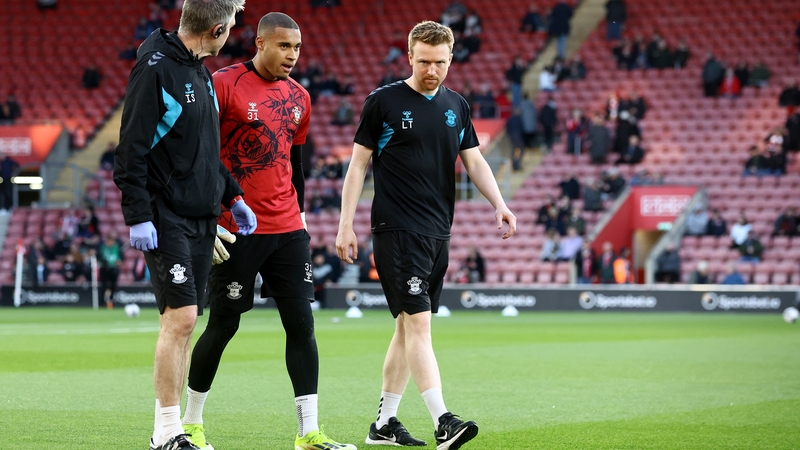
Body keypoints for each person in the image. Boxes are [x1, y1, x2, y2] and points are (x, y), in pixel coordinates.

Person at [335, 21, 516, 450]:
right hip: (398, 228)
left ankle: (384, 423)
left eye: (440, 62)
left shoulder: (457, 105)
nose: (432, 70)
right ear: (410, 58)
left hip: (438, 230)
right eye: (423, 61)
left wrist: (500, 204)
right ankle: (443, 421)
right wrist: (346, 223)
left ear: (451, 59)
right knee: (419, 325)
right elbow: (357, 165)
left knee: (405, 327)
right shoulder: (383, 102)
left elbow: (474, 163)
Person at [180, 12, 354, 450]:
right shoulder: (224, 83)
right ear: (259, 42)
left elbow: (295, 163)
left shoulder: (300, 97)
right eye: (283, 46)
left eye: (296, 48)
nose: (292, 56)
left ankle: (308, 432)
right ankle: (191, 423)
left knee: (302, 326)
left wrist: (299, 213)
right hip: (236, 227)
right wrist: (210, 216)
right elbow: (200, 150)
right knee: (224, 325)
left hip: (288, 228)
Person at [112, 1, 256, 449]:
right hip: (165, 215)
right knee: (181, 318)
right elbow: (130, 151)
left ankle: (165, 432)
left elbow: (202, 151)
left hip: (202, 215)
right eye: (230, 26)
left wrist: (231, 194)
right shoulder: (156, 71)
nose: (232, 34)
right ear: (215, 29)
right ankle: (170, 432)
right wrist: (138, 215)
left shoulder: (198, 72)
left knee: (186, 324)